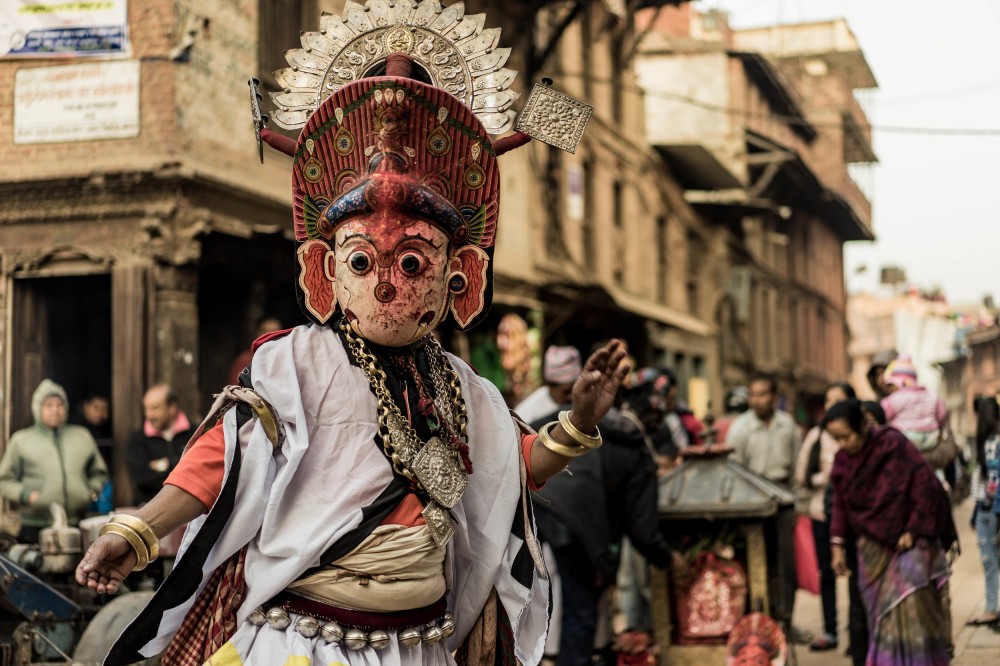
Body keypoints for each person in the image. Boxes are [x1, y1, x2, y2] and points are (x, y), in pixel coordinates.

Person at [76, 21, 628, 666]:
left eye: (414, 264)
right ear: (326, 270)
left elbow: (513, 471)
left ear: (461, 275)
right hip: (309, 646)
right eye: (364, 263)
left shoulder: (461, 386)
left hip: (421, 645)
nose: (389, 287)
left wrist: (583, 421)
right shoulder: (291, 363)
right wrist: (137, 531)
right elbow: (217, 467)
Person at [530, 398, 684, 666]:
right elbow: (643, 532)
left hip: (536, 499)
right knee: (581, 606)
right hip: (567, 517)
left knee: (541, 595)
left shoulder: (606, 428)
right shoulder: (638, 452)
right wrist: (670, 560)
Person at [827, 399, 956, 666]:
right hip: (872, 549)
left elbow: (924, 486)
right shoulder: (843, 461)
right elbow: (840, 504)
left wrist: (913, 528)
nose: (843, 444)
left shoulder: (893, 445)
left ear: (862, 427)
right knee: (882, 619)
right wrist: (837, 546)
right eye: (836, 439)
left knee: (913, 610)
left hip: (909, 545)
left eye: (846, 436)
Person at [0, 379, 108, 543]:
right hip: (34, 526)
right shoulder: (21, 440)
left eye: (59, 405)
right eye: (49, 405)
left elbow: (99, 472)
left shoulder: (81, 436)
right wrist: (26, 495)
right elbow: (4, 480)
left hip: (76, 524)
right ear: (38, 408)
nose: (55, 410)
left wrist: (90, 491)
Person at [794, 381, 855, 652]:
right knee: (827, 574)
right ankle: (830, 631)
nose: (831, 405)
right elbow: (802, 475)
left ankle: (858, 632)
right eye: (828, 400)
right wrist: (827, 478)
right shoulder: (817, 436)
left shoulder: (860, 434)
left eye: (838, 399)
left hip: (853, 517)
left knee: (857, 574)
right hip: (822, 513)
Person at [726, 374, 800, 490]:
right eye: (752, 395)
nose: (756, 400)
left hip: (784, 489)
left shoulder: (787, 424)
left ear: (774, 397)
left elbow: (797, 460)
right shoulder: (740, 427)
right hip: (754, 491)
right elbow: (735, 467)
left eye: (762, 395)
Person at [126, 384, 195, 506]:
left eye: (155, 408)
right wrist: (181, 465)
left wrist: (166, 463)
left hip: (187, 508)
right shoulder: (138, 439)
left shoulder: (195, 433)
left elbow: (197, 470)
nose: (149, 415)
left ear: (172, 407)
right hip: (148, 506)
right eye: (146, 408)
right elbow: (143, 478)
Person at [968, 395, 1000, 626]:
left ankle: (992, 609)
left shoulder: (993, 442)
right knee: (990, 561)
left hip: (992, 509)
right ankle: (991, 608)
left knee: (991, 561)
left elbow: (993, 481)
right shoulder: (988, 441)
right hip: (986, 507)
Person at [514, 345, 582, 423]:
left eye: (575, 389)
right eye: (567, 392)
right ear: (550, 385)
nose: (571, 397)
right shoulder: (525, 415)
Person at [228, 317, 284, 385]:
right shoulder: (244, 360)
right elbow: (237, 389)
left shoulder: (286, 359)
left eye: (274, 332)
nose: (268, 336)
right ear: (256, 333)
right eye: (264, 331)